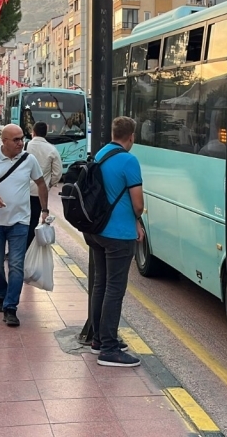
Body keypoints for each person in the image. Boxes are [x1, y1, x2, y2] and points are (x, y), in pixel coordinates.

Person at [0, 123, 49, 327]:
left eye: (22, 138)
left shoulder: (28, 159)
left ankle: (11, 307)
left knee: (16, 265)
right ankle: (1, 294)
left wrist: (44, 210)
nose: (20, 143)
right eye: (16, 140)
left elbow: (41, 183)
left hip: (19, 222)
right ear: (3, 141)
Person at [86, 116, 144, 367]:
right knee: (114, 289)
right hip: (118, 235)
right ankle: (109, 349)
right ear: (131, 136)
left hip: (96, 231)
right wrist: (137, 219)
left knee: (100, 284)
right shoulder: (129, 160)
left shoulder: (100, 155)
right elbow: (138, 204)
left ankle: (98, 338)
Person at [23, 121, 62, 248]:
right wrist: (48, 184)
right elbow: (57, 173)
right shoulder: (52, 149)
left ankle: (16, 249)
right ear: (46, 133)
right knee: (33, 221)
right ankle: (28, 249)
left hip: (22, 191)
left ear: (33, 132)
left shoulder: (25, 146)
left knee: (20, 222)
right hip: (39, 193)